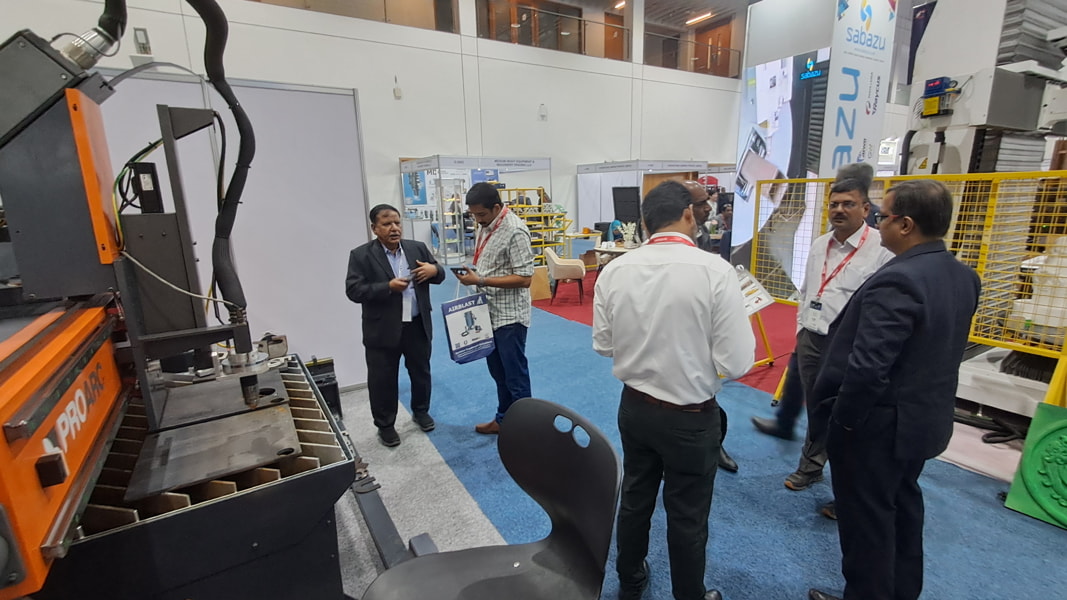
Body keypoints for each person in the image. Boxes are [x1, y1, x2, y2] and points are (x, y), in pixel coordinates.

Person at [807, 180, 980, 600]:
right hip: (923, 420)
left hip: (878, 428)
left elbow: (868, 368)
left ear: (905, 224)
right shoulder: (964, 276)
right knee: (902, 510)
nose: (877, 223)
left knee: (866, 522)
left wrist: (843, 423)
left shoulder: (899, 280)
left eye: (882, 216)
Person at [594, 180, 754, 600]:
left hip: (634, 407)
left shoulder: (615, 270)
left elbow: (604, 345)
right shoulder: (715, 270)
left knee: (636, 495)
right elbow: (738, 362)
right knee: (687, 515)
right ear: (687, 214)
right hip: (690, 414)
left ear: (644, 223)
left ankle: (630, 579)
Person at [753, 165, 892, 504]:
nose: (839, 210)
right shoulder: (819, 245)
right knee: (816, 406)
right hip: (813, 336)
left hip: (851, 345)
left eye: (848, 204)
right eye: (834, 204)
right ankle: (811, 466)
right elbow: (808, 289)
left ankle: (849, 488)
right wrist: (802, 328)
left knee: (848, 414)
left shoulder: (881, 250)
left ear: (865, 208)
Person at [345, 204, 446, 447]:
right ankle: (385, 425)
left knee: (421, 372)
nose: (394, 228)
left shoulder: (416, 248)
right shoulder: (361, 255)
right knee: (382, 379)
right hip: (382, 329)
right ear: (374, 228)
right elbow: (354, 291)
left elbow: (440, 275)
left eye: (397, 223)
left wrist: (434, 269)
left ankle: (421, 411)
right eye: (387, 224)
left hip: (417, 324)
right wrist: (387, 287)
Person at [455, 182, 535, 434]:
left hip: (510, 317)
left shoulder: (515, 231)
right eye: (473, 214)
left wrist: (480, 280)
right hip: (487, 313)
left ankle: (525, 429)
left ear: (497, 207)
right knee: (498, 373)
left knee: (515, 375)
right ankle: (503, 419)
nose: (477, 220)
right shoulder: (486, 225)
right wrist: (476, 276)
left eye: (481, 214)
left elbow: (525, 278)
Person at [682, 180, 740, 473]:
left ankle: (714, 445)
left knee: (706, 393)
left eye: (708, 201)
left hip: (703, 332)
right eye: (701, 203)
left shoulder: (702, 234)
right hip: (672, 332)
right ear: (685, 209)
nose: (709, 207)